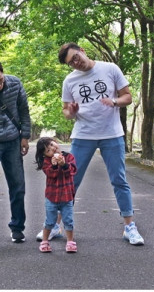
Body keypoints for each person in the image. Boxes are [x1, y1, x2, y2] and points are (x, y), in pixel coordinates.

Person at [41, 43, 144, 246]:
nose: (76, 63)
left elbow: (128, 97)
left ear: (83, 51)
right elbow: (66, 112)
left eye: (76, 57)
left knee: (119, 180)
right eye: (71, 63)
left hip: (112, 134)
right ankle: (55, 226)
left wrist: (114, 102)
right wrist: (71, 111)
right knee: (70, 181)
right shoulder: (69, 81)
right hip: (83, 135)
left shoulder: (110, 69)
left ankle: (129, 227)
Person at [0, 62, 31, 243]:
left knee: (18, 186)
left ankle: (17, 227)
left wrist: (25, 136)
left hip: (12, 140)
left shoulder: (15, 83)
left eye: (0, 80)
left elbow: (23, 110)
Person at [35, 137, 77, 253]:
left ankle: (70, 242)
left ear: (56, 142)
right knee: (49, 221)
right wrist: (54, 166)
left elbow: (72, 171)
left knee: (68, 220)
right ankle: (45, 241)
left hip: (67, 196)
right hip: (52, 197)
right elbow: (50, 174)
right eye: (48, 150)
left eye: (52, 145)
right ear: (44, 154)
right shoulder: (46, 162)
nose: (52, 149)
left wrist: (64, 165)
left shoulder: (69, 157)